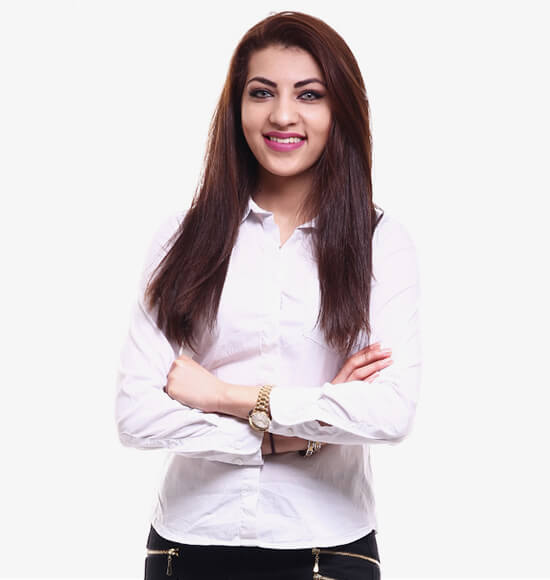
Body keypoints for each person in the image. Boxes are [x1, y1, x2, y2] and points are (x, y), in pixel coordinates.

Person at [115, 10, 422, 580]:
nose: (282, 115)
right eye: (262, 93)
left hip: (327, 547)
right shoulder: (182, 236)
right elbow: (137, 415)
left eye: (309, 94)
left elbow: (390, 411)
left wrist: (224, 395)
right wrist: (289, 435)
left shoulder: (381, 241)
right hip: (190, 542)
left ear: (339, 109)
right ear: (237, 108)